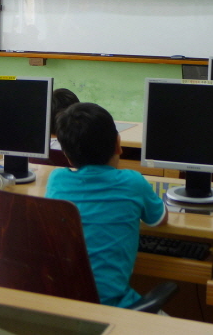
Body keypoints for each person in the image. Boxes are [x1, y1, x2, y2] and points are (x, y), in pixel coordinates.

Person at [45, 102, 167, 309]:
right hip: (113, 309)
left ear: (66, 154)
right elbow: (160, 220)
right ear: (118, 144)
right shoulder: (133, 182)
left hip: (62, 306)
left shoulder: (56, 180)